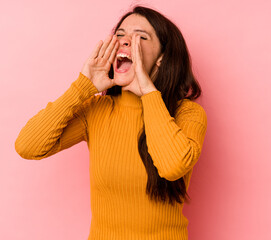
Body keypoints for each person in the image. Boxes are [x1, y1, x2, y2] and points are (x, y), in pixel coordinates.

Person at [15, 5, 207, 240]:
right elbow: (27, 146)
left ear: (161, 58)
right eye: (119, 35)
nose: (125, 42)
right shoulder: (96, 110)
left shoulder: (188, 114)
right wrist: (82, 87)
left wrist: (148, 92)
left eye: (139, 37)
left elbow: (172, 166)